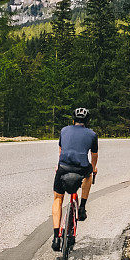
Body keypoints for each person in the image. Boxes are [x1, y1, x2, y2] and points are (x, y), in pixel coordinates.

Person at [51, 107, 98, 251]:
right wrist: (94, 168)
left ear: (73, 120)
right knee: (89, 175)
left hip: (63, 168)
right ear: (87, 121)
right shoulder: (92, 134)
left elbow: (61, 150)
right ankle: (82, 207)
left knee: (58, 199)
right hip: (81, 169)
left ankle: (56, 237)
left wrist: (60, 164)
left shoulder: (64, 130)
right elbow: (94, 156)